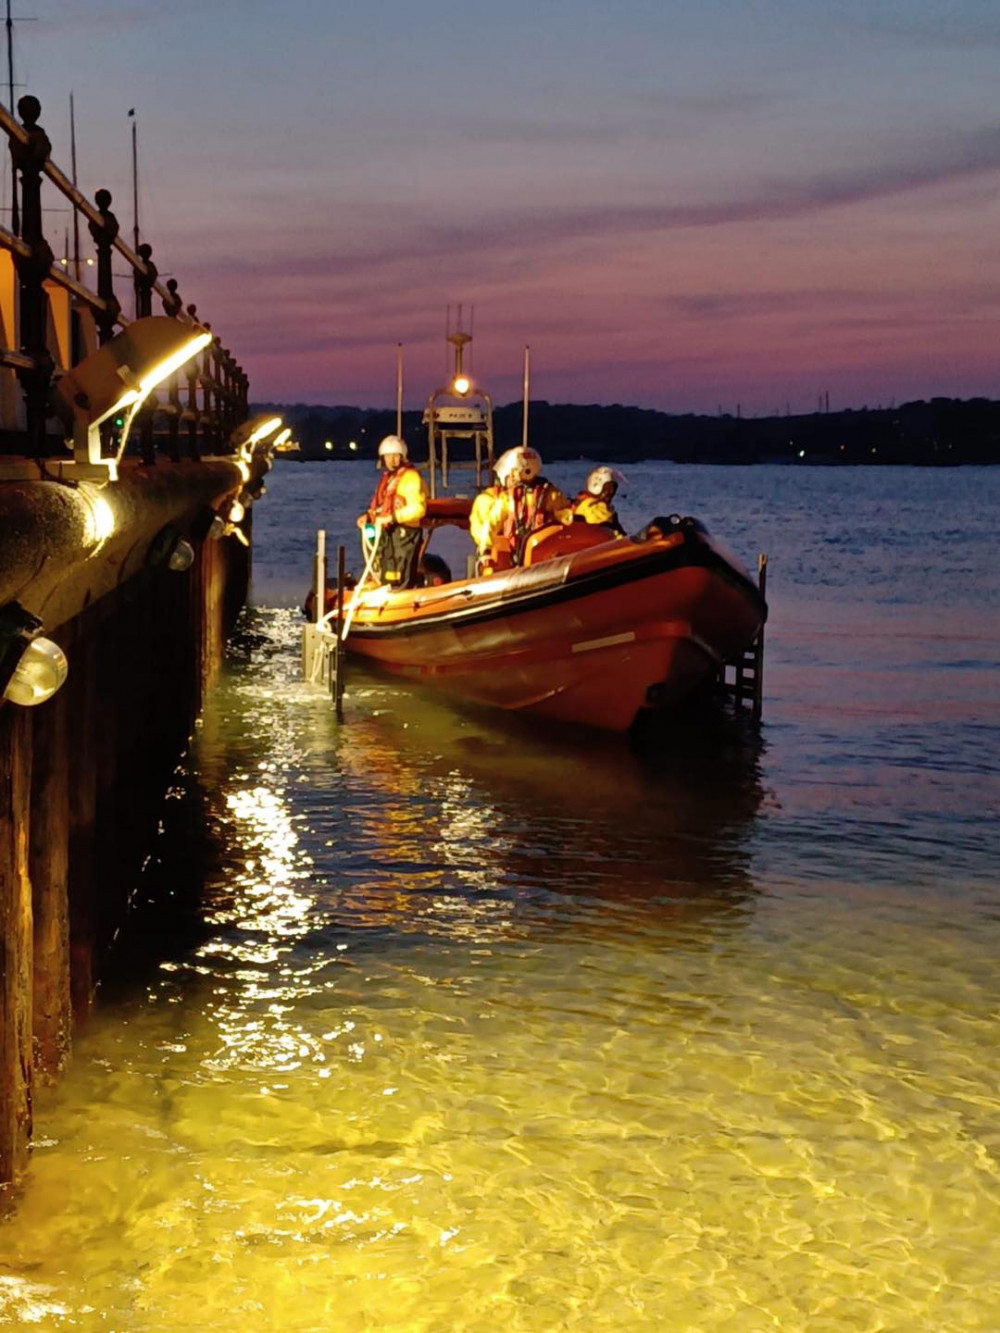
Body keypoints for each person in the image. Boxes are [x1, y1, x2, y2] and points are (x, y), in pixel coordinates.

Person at [357, 435, 427, 588]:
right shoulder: (387, 479)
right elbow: (382, 505)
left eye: (395, 455)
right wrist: (368, 516)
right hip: (388, 533)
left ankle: (402, 592)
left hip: (406, 534)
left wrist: (393, 517)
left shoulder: (411, 478)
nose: (391, 460)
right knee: (388, 569)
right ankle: (388, 589)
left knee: (401, 572)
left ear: (402, 456)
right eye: (388, 456)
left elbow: (418, 509)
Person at [494, 446, 572, 565]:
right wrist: (485, 550)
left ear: (525, 470)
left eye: (513, 471)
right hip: (513, 557)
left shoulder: (549, 495)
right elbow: (491, 524)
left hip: (540, 557)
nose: (511, 476)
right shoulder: (507, 497)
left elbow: (566, 519)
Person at [469, 449, 518, 574]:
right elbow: (483, 531)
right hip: (499, 556)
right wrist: (486, 549)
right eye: (513, 477)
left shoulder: (540, 496)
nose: (517, 482)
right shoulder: (486, 501)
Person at [573, 466, 625, 534]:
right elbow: (607, 534)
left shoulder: (583, 502)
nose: (612, 492)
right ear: (596, 486)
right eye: (608, 488)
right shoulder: (595, 508)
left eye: (614, 488)